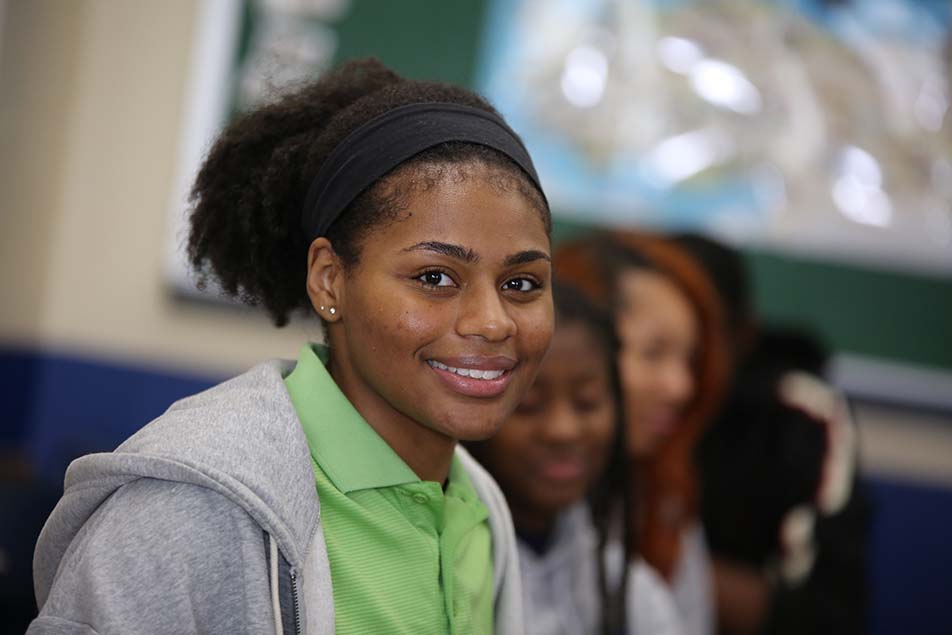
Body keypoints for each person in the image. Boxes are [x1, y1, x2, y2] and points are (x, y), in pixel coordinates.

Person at [29, 58, 555, 635]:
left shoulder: (479, 508)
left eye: (521, 284)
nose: (492, 322)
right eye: (434, 277)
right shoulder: (185, 508)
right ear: (329, 280)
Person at [672, 232, 870, 635]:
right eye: (651, 348)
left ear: (742, 337)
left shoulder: (800, 415)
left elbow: (826, 614)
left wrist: (654, 558)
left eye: (695, 346)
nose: (673, 382)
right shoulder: (609, 401)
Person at [468, 282, 682, 635]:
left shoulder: (631, 593)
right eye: (529, 405)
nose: (563, 430)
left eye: (587, 402)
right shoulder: (447, 580)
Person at [554, 231, 729, 635]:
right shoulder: (504, 498)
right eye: (654, 353)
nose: (681, 386)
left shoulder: (664, 496)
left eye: (690, 359)